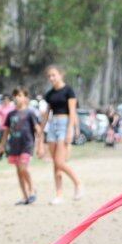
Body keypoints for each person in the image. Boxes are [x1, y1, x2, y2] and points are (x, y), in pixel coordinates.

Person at [40, 66, 84, 204]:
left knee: (60, 162)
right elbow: (47, 113)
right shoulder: (50, 94)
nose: (51, 78)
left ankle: (78, 183)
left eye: (54, 75)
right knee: (55, 163)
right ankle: (59, 194)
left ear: (61, 75)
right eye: (49, 76)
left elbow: (72, 112)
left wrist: (71, 129)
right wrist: (41, 130)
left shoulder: (68, 91)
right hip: (53, 125)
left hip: (64, 124)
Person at [1, 87, 40, 205]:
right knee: (18, 171)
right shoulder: (10, 114)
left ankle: (32, 189)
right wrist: (2, 145)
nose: (17, 98)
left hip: (27, 144)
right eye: (15, 95)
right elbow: (6, 131)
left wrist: (41, 144)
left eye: (20, 95)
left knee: (23, 168)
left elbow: (37, 129)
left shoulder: (30, 113)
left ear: (26, 98)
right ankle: (25, 196)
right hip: (14, 145)